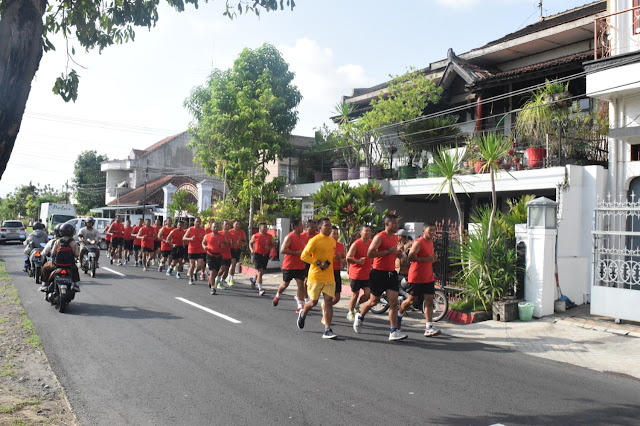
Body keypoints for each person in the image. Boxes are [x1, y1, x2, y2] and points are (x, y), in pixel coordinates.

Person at [353, 213, 407, 341]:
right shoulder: (379, 237)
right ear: (387, 224)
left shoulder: (395, 238)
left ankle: (393, 331)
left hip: (391, 273)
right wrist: (388, 252)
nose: (396, 226)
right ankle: (360, 316)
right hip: (378, 273)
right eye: (394, 224)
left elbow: (394, 254)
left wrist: (398, 255)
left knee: (393, 303)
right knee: (373, 301)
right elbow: (370, 253)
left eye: (397, 224)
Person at [297, 218, 338, 339]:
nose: (329, 227)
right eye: (326, 225)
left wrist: (332, 261)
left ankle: (327, 329)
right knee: (313, 302)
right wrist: (318, 262)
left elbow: (330, 257)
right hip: (315, 277)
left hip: (329, 277)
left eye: (330, 225)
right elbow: (304, 256)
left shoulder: (332, 241)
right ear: (319, 227)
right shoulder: (314, 240)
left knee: (328, 302)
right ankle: (303, 313)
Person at [398, 224, 441, 337]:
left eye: (434, 231)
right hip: (416, 277)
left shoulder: (431, 243)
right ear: (423, 230)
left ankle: (429, 327)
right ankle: (398, 315)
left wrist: (432, 259)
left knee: (429, 301)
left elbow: (429, 258)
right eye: (430, 230)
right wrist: (425, 259)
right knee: (411, 301)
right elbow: (410, 257)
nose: (432, 232)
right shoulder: (418, 242)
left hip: (428, 277)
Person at [273, 219, 306, 308]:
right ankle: (277, 295)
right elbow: (282, 250)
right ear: (295, 227)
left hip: (300, 265)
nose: (302, 227)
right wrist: (295, 253)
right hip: (289, 266)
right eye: (301, 225)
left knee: (301, 284)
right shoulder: (289, 237)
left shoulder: (303, 237)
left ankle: (300, 305)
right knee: (285, 284)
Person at [40, 223, 80, 292]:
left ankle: (44, 284)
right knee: (75, 270)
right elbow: (76, 254)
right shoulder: (73, 243)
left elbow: (53, 253)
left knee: (45, 267)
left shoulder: (58, 241)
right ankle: (76, 285)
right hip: (70, 265)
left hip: (56, 265)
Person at [345, 225, 373, 321]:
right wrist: (358, 261)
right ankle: (350, 312)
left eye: (369, 231)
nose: (368, 233)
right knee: (355, 295)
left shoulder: (371, 243)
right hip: (356, 274)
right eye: (366, 231)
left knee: (368, 294)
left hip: (366, 274)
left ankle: (357, 305)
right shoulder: (356, 244)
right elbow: (348, 258)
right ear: (361, 232)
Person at [249, 223, 273, 296]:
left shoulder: (269, 236)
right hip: (258, 254)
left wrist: (269, 247)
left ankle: (253, 279)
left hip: (265, 255)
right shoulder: (255, 236)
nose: (265, 229)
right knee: (260, 271)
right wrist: (251, 250)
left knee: (263, 271)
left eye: (266, 227)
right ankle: (260, 289)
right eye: (264, 227)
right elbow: (250, 243)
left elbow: (273, 245)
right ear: (260, 228)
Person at [183, 217, 207, 285]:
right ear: (194, 222)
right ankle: (191, 279)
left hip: (200, 250)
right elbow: (184, 238)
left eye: (199, 222)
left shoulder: (203, 230)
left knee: (200, 265)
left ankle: (195, 272)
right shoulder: (190, 229)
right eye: (197, 221)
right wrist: (190, 239)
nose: (198, 223)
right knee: (192, 265)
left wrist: (202, 240)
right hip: (192, 250)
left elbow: (206, 240)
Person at [204, 221, 224, 294]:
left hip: (218, 256)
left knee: (216, 272)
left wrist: (223, 245)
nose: (216, 228)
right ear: (211, 228)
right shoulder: (207, 236)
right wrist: (204, 247)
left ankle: (210, 278)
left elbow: (225, 243)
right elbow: (203, 242)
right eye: (214, 227)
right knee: (213, 272)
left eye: (217, 227)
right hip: (210, 255)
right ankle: (213, 288)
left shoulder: (221, 236)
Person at [214, 220, 233, 289]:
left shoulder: (231, 235)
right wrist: (225, 244)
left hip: (228, 255)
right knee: (222, 268)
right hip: (220, 255)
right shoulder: (219, 234)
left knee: (227, 270)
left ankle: (221, 283)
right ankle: (216, 280)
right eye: (226, 224)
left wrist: (232, 243)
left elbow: (233, 244)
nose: (227, 226)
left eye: (228, 224)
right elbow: (217, 244)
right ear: (223, 226)